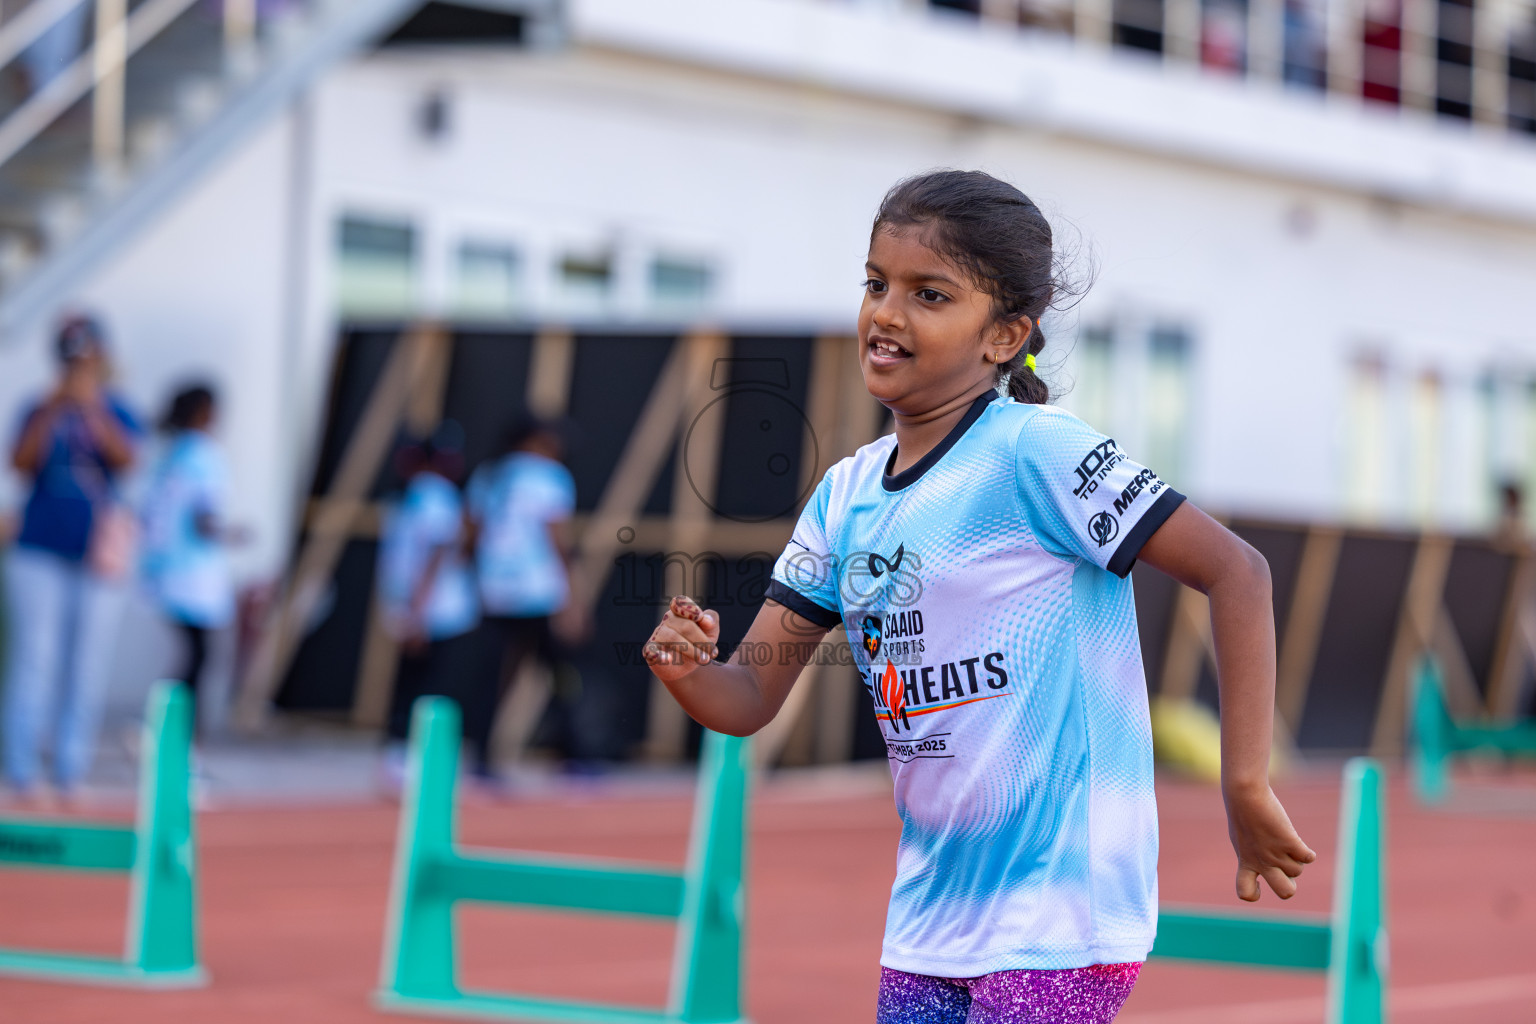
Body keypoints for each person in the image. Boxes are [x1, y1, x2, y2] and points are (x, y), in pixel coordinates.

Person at [642, 171, 1315, 1023]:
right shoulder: (844, 496)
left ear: (1005, 335)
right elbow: (746, 698)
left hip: (1063, 902)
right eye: (876, 284)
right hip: (931, 913)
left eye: (929, 294)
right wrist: (686, 668)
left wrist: (1244, 783)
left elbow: (1238, 571)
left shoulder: (1037, 454)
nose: (887, 313)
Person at [4, 314, 141, 804]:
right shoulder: (39, 408)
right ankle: (20, 769)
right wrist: (54, 409)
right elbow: (20, 464)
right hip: (39, 549)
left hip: (96, 555)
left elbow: (127, 461)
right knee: (35, 659)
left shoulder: (116, 409)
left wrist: (94, 411)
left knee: (86, 664)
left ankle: (69, 767)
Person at [465, 415, 581, 782]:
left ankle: (482, 757)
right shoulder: (549, 476)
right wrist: (572, 597)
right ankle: (573, 754)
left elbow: (470, 533)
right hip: (538, 592)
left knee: (493, 677)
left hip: (495, 591)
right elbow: (556, 539)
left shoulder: (489, 475)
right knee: (563, 674)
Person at [376, 423, 479, 789]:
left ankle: (400, 753)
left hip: (414, 604)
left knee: (412, 681)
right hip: (438, 608)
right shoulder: (438, 495)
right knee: (432, 685)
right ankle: (419, 757)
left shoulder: (407, 495)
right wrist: (419, 611)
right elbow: (435, 554)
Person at [139, 384, 238, 739]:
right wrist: (232, 534)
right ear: (203, 413)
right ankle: (174, 737)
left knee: (193, 654)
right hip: (193, 573)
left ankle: (166, 731)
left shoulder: (171, 454)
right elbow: (204, 519)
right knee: (199, 658)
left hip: (164, 569)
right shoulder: (204, 455)